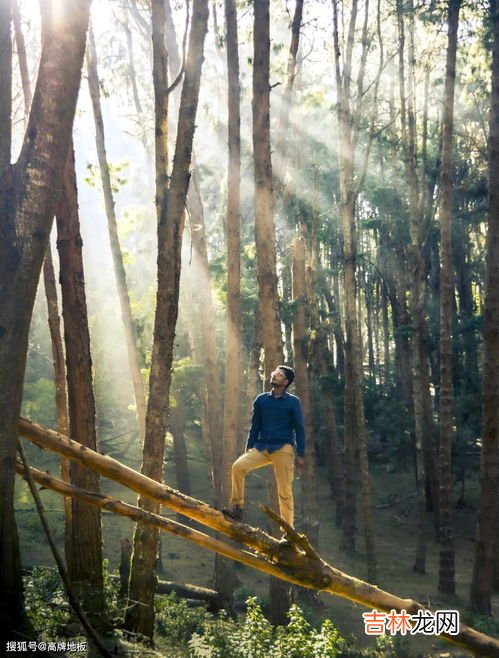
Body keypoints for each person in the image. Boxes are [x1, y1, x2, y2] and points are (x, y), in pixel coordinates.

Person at [222, 365, 305, 530]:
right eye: (275, 373)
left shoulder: (293, 402)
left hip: (283, 449)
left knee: (285, 492)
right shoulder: (261, 400)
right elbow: (255, 425)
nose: (274, 375)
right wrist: (249, 446)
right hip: (262, 447)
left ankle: (288, 533)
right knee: (238, 466)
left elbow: (300, 428)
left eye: (279, 375)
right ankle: (237, 508)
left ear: (286, 381)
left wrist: (301, 454)